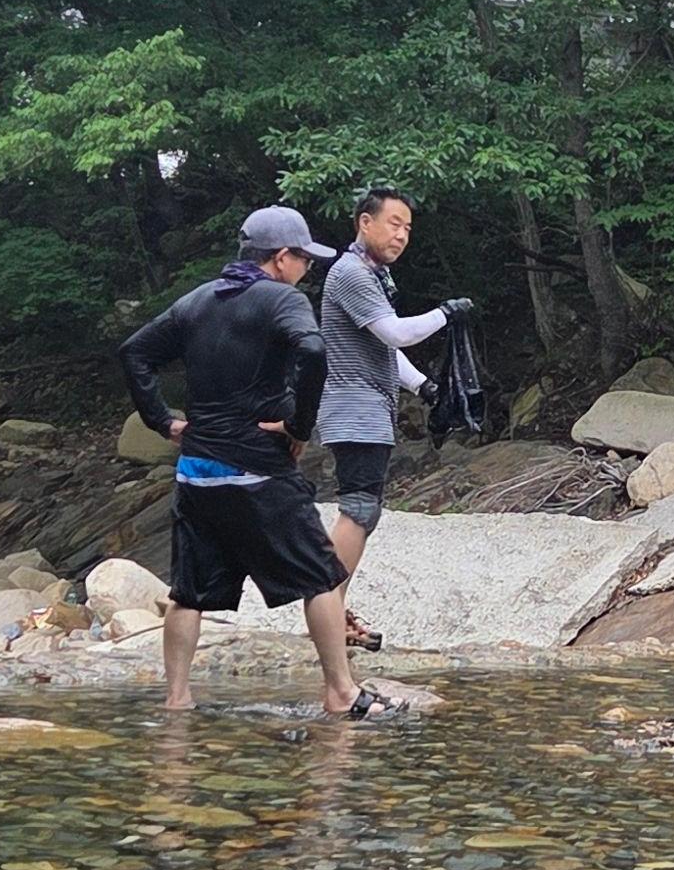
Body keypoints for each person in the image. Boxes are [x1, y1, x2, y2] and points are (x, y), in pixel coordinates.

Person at [121, 205, 377, 717]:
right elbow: (313, 352)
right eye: (304, 258)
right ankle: (342, 693)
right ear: (281, 258)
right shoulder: (282, 299)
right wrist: (300, 426)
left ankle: (177, 701)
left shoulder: (196, 302)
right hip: (260, 470)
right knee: (322, 577)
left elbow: (134, 352)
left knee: (189, 593)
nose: (307, 268)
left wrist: (163, 421)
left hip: (196, 475)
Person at [314, 188, 461, 647]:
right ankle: (329, 610)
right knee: (358, 509)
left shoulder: (371, 276)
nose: (401, 235)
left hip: (369, 410)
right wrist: (446, 313)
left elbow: (383, 346)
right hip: (354, 409)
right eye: (394, 224)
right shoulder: (352, 273)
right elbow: (395, 332)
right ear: (365, 222)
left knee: (366, 512)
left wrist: (423, 386)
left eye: (408, 228)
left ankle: (335, 606)